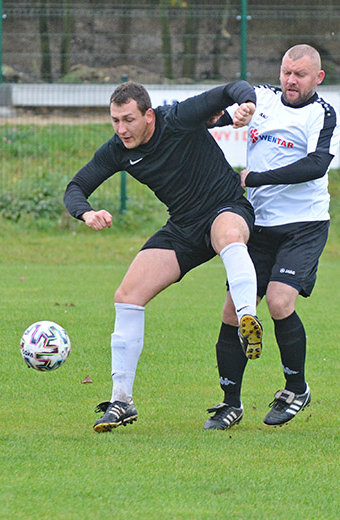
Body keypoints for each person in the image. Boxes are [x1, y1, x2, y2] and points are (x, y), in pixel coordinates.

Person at [64, 80, 264, 433]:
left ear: (149, 116)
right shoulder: (118, 150)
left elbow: (230, 89)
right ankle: (121, 401)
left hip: (225, 208)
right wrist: (86, 213)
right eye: (115, 121)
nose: (122, 129)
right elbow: (76, 187)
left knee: (229, 235)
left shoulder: (178, 118)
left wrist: (246, 103)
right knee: (127, 296)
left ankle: (248, 320)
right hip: (184, 227)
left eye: (128, 119)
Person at [204, 44, 340, 430]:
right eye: (286, 71)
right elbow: (218, 114)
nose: (290, 80)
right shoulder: (262, 99)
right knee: (234, 310)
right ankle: (230, 402)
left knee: (281, 302)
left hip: (304, 224)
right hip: (259, 225)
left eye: (299, 74)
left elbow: (316, 166)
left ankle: (296, 389)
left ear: (318, 78)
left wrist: (255, 178)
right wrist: (219, 115)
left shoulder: (323, 115)